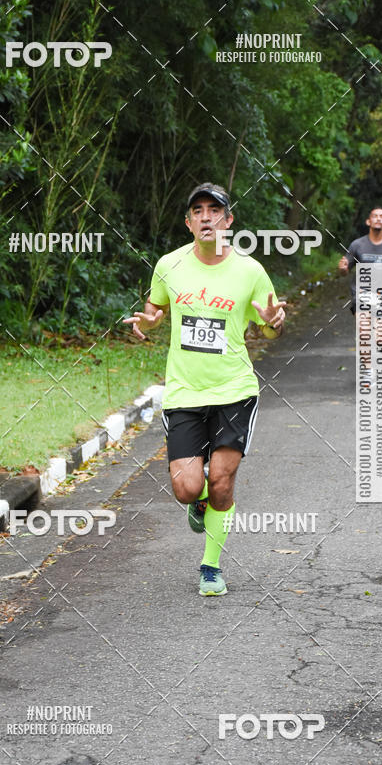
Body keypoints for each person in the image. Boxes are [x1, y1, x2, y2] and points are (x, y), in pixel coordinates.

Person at [124, 182, 285, 596]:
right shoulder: (168, 265)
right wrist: (150, 321)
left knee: (222, 482)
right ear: (188, 222)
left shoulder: (249, 271)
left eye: (215, 210)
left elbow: (269, 326)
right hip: (184, 392)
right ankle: (199, 506)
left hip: (234, 389)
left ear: (229, 220)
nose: (207, 216)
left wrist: (273, 321)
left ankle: (210, 567)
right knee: (187, 488)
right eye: (198, 210)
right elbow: (156, 307)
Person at [338, 207, 382, 314]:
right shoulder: (357, 244)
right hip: (361, 294)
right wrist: (342, 268)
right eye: (375, 216)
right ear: (368, 221)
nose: (378, 219)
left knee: (381, 330)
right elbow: (344, 271)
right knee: (364, 330)